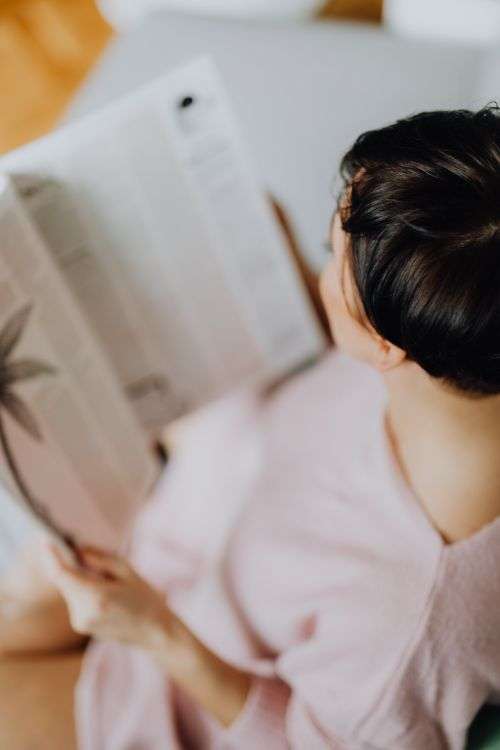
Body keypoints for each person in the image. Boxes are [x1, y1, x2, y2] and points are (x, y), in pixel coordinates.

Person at [2, 104, 500, 749]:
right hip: (174, 533)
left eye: (331, 261)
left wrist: (158, 632)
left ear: (383, 343)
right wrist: (274, 253)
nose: (325, 269)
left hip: (177, 678)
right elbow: (351, 362)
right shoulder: (460, 343)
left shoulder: (413, 623)